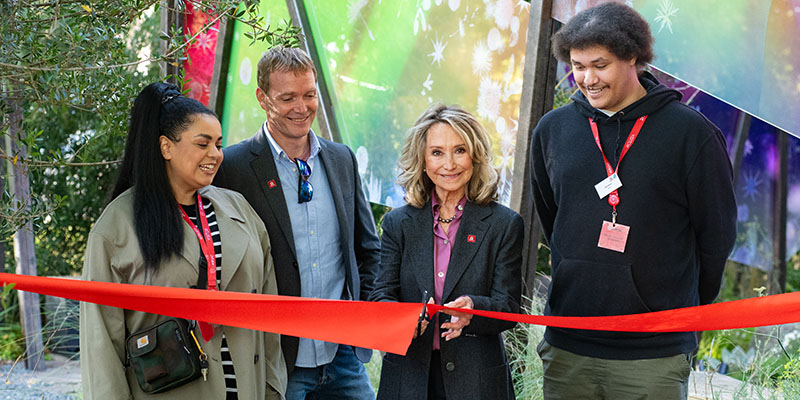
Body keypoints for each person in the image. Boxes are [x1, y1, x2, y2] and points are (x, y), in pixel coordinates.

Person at [529, 3, 737, 399]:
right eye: (577, 65)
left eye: (600, 65)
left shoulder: (692, 135)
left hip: (653, 352)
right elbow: (551, 217)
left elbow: (717, 238)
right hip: (569, 343)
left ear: (634, 58)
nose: (587, 79)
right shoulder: (552, 130)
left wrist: (676, 308)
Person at [80, 82, 287, 399]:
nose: (215, 155)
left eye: (218, 144)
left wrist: (273, 388)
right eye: (202, 144)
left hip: (248, 388)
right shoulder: (116, 227)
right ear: (166, 147)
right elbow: (101, 342)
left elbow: (269, 312)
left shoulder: (240, 211)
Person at [213, 46, 381, 400]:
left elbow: (368, 250)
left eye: (309, 94)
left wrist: (363, 322)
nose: (302, 108)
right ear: (263, 98)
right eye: (288, 97)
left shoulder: (341, 159)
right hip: (278, 359)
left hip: (344, 354)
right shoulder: (233, 167)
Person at [370, 104, 523, 400]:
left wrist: (473, 311)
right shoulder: (397, 223)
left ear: (475, 155)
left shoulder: (504, 224)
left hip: (476, 381)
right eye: (437, 152)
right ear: (423, 159)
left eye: (460, 150)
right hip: (408, 378)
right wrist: (407, 320)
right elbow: (381, 296)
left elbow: (508, 309)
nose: (449, 164)